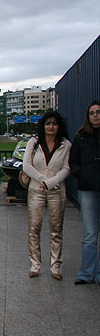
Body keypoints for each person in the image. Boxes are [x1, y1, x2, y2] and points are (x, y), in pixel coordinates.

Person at [22, 111, 71, 280]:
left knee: (56, 230)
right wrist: (43, 180)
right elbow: (26, 165)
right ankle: (35, 265)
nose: (51, 127)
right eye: (48, 123)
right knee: (34, 228)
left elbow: (66, 168)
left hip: (56, 190)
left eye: (54, 124)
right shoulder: (34, 142)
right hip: (36, 189)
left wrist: (53, 181)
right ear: (43, 126)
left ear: (59, 126)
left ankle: (56, 266)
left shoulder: (65, 145)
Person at [69, 100, 100, 286]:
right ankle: (87, 273)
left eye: (98, 112)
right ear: (88, 117)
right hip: (87, 188)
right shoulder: (81, 138)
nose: (95, 115)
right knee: (90, 233)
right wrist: (80, 175)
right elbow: (74, 161)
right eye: (92, 113)